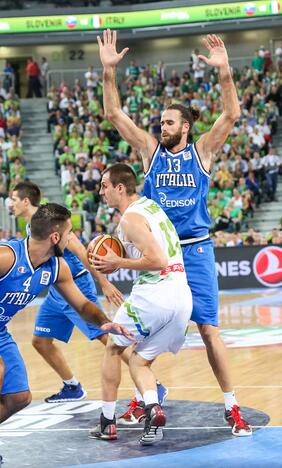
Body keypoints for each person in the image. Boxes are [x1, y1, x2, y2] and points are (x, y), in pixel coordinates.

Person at [98, 29, 251, 436]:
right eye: (160, 121)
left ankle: (231, 407)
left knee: (209, 328)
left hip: (195, 251)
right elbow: (115, 115)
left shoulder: (202, 151)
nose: (160, 126)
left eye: (168, 122)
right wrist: (109, 72)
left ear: (185, 126)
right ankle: (147, 395)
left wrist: (224, 73)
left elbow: (231, 115)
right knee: (142, 332)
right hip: (157, 255)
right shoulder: (150, 152)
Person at [0, 203, 131, 467]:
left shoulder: (57, 268)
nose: (73, 237)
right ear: (55, 237)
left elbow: (82, 305)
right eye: (70, 233)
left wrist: (105, 322)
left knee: (19, 397)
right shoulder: (4, 256)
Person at [10, 181, 145, 404]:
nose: (11, 204)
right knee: (41, 341)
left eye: (14, 199)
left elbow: (82, 252)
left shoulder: (51, 220)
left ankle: (151, 383)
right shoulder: (31, 225)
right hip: (57, 290)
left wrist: (104, 283)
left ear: (26, 201)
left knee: (106, 336)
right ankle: (72, 387)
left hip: (76, 285)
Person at [88, 164, 192, 444]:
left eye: (104, 186)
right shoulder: (151, 208)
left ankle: (107, 422)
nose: (101, 192)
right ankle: (153, 410)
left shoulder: (130, 219)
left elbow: (157, 260)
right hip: (182, 297)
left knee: (112, 346)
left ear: (120, 188)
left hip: (156, 292)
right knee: (139, 361)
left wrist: (117, 262)